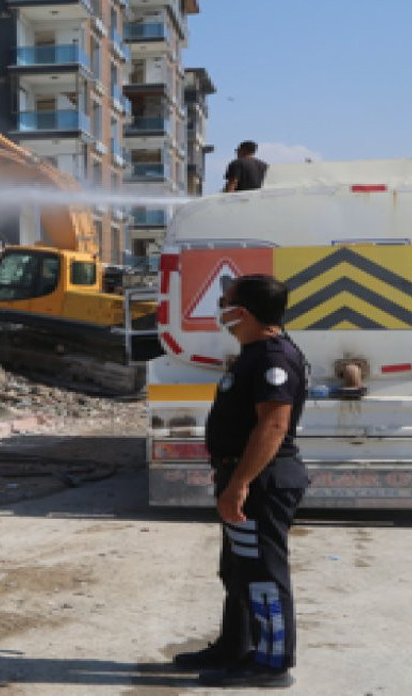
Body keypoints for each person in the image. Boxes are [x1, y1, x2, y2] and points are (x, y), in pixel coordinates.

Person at [173, 274, 310, 689]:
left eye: (226, 301)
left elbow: (273, 425)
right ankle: (235, 647)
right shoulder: (254, 353)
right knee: (238, 569)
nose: (221, 307)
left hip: (262, 481)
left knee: (264, 574)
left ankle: (271, 664)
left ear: (243, 312)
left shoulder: (272, 358)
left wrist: (240, 484)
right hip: (245, 474)